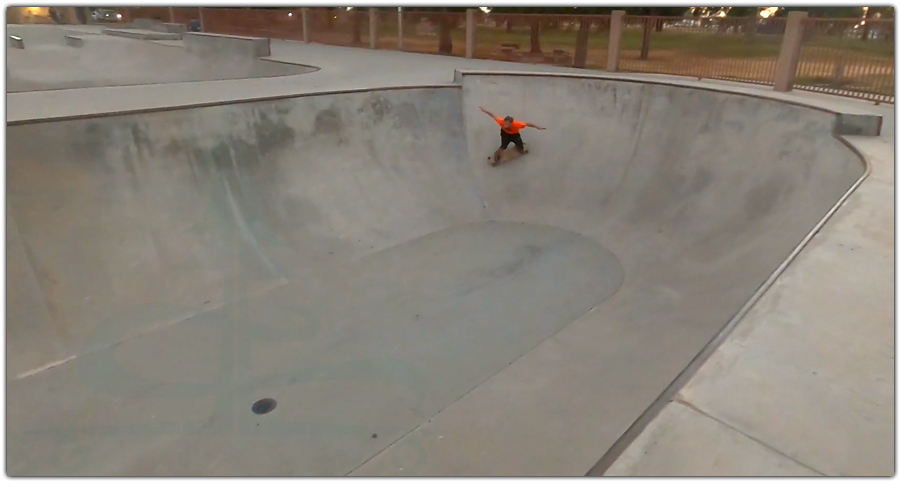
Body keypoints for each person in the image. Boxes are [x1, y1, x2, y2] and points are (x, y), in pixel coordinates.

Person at [479, 106, 545, 164]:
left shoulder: (517, 124)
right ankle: (496, 157)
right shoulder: (501, 121)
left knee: (519, 144)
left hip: (515, 135)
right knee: (503, 147)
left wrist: (537, 127)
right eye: (504, 123)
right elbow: (493, 115)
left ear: (511, 123)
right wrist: (484, 110)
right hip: (505, 134)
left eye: (507, 124)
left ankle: (521, 150)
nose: (505, 125)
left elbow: (528, 124)